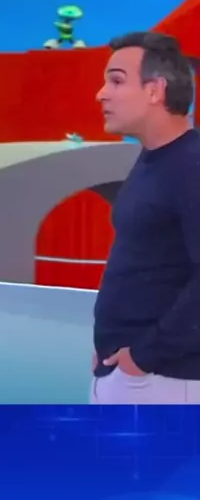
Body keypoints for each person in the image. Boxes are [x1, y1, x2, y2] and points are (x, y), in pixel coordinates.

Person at [91, 31, 200, 404]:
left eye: (116, 81)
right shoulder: (154, 159)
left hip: (164, 380)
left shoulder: (192, 166)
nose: (101, 94)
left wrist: (142, 358)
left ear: (155, 90)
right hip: (132, 375)